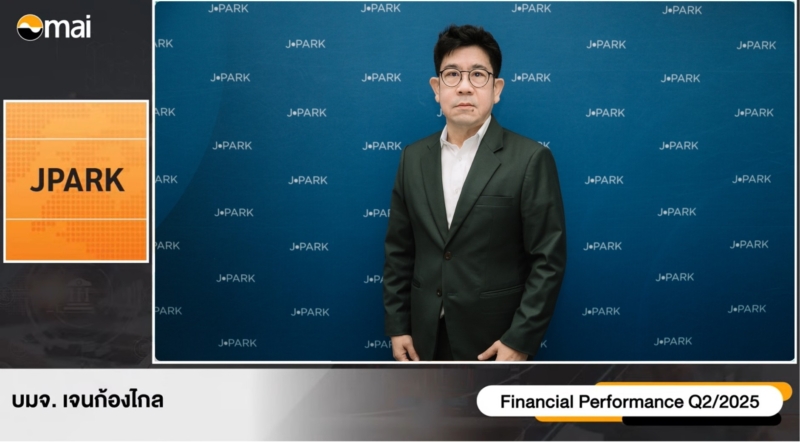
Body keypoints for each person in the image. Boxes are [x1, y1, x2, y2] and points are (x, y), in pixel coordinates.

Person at [382, 24, 567, 361]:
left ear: (497, 89)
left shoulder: (530, 159)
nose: (465, 86)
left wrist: (519, 340)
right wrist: (398, 326)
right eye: (452, 74)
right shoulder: (412, 157)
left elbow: (548, 261)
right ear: (436, 88)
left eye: (478, 75)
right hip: (423, 341)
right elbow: (399, 252)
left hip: (494, 343)